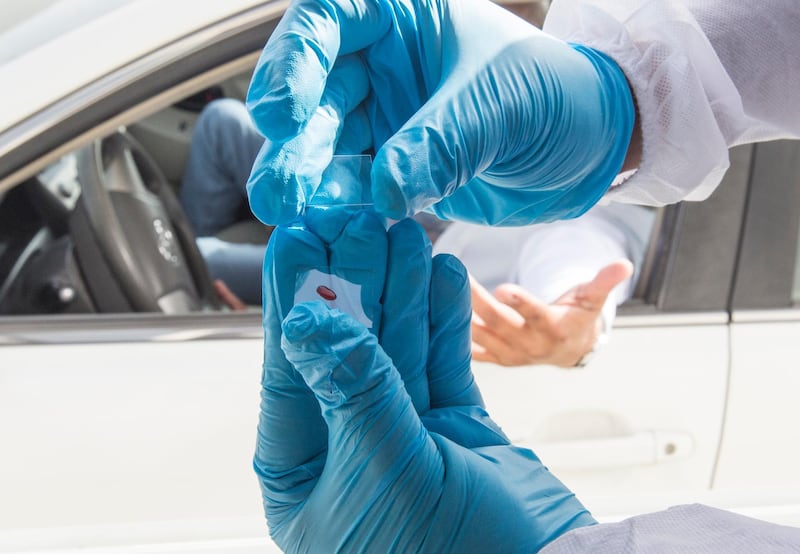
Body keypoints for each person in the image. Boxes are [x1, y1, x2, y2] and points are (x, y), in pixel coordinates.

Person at [246, 0, 800, 550]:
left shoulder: (567, 225)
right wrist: (626, 94)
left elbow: (577, 251)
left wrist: (571, 319)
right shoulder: (487, 174)